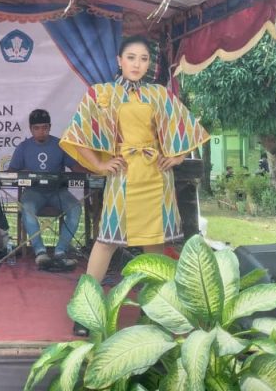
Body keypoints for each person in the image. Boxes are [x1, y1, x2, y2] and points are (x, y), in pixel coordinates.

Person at [60, 35, 209, 336]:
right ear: (119, 61)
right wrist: (100, 165)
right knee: (107, 240)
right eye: (131, 57)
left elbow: (185, 126)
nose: (137, 64)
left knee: (155, 243)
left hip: (156, 176)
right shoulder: (101, 93)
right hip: (123, 176)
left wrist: (177, 157)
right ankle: (86, 310)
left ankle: (156, 312)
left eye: (143, 58)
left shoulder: (159, 94)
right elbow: (78, 132)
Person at [7, 109, 82, 271]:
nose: (41, 131)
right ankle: (40, 252)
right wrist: (23, 173)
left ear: (50, 127)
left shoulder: (60, 145)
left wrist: (94, 172)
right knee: (27, 208)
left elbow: (75, 167)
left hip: (58, 192)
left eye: (44, 127)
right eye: (37, 128)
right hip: (34, 192)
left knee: (75, 208)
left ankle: (60, 251)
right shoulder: (23, 147)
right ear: (30, 129)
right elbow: (11, 172)